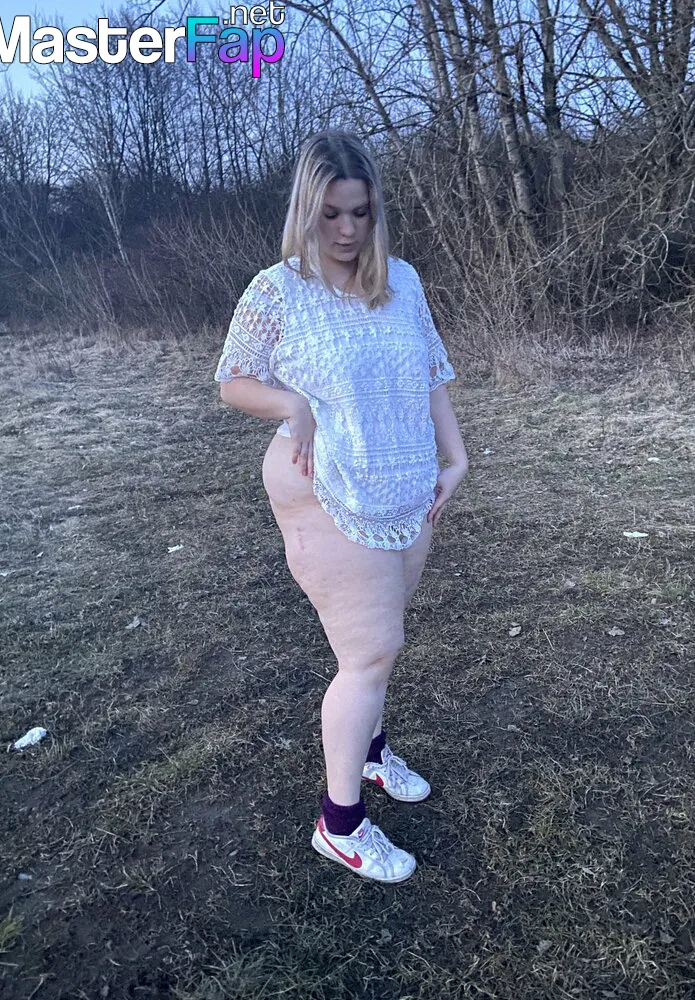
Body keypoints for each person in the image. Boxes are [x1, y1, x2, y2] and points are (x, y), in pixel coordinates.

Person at [213, 130, 468, 883]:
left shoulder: (403, 282)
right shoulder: (278, 289)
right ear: (307, 210)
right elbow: (233, 379)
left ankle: (373, 751)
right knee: (369, 652)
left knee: (380, 641)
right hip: (323, 484)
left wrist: (456, 456)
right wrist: (290, 402)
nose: (348, 230)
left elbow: (431, 372)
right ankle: (341, 823)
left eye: (361, 212)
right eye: (331, 214)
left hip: (406, 483)